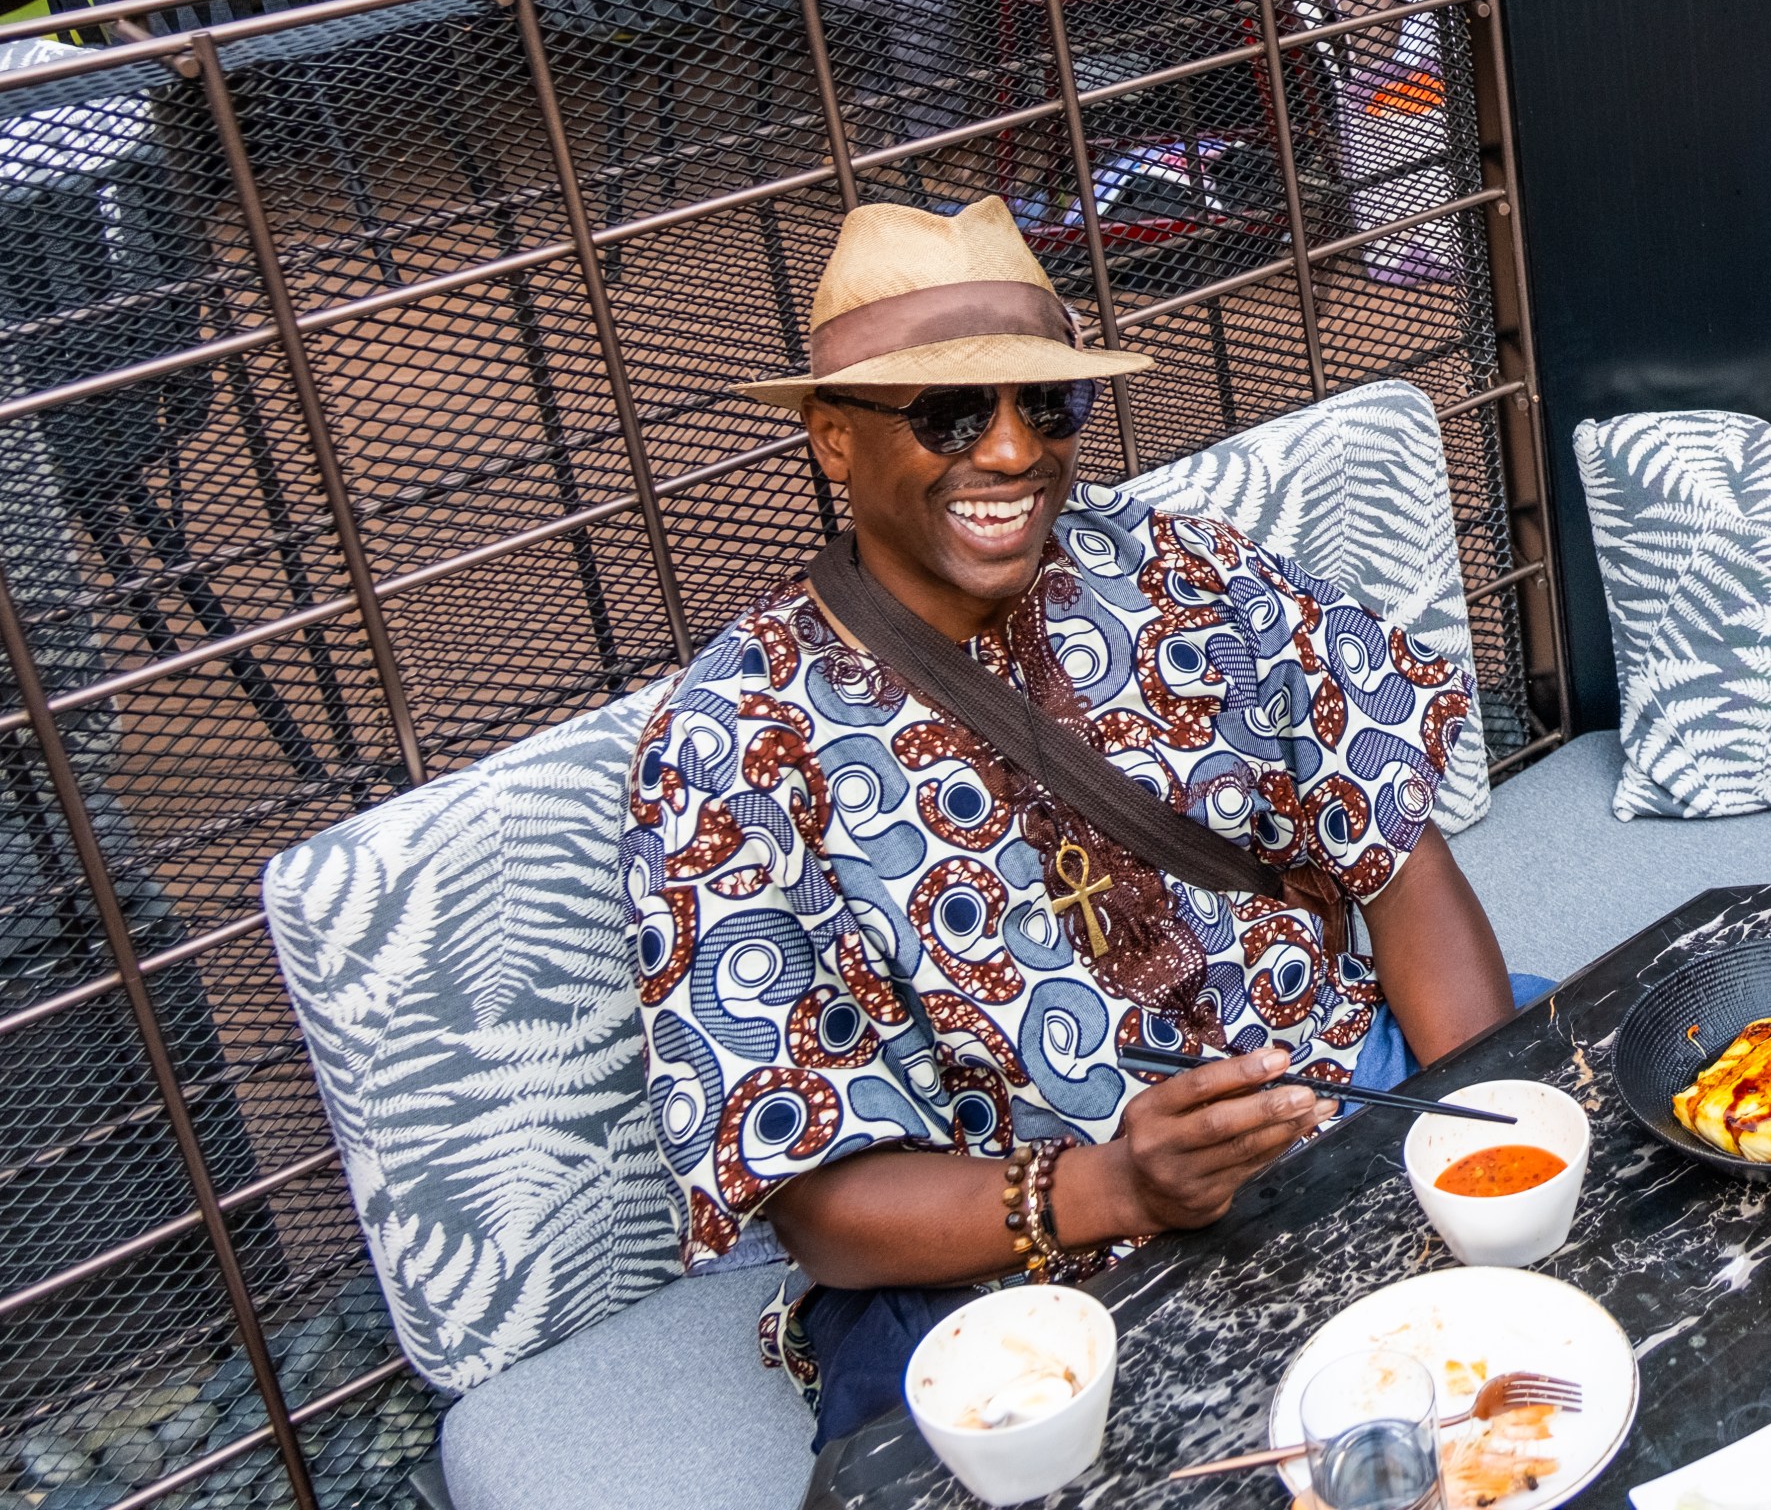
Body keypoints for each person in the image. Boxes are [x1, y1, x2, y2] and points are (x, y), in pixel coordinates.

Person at [624, 198, 1526, 1442]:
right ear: (833, 441)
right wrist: (1114, 1184)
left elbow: (1395, 856)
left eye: (1045, 404)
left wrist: (1475, 1131)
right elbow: (819, 1205)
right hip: (1018, 1254)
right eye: (951, 412)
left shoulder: (1183, 572)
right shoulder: (730, 744)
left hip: (1344, 1090)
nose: (1009, 453)